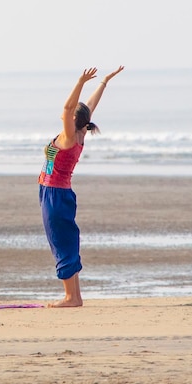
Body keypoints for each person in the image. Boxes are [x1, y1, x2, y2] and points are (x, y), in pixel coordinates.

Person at [38, 65, 125, 307]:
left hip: (54, 194)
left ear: (74, 119)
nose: (66, 114)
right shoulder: (80, 133)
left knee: (61, 242)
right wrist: (104, 82)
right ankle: (75, 297)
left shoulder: (68, 135)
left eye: (71, 115)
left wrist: (80, 82)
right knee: (67, 241)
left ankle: (69, 297)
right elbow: (88, 108)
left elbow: (68, 108)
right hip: (60, 193)